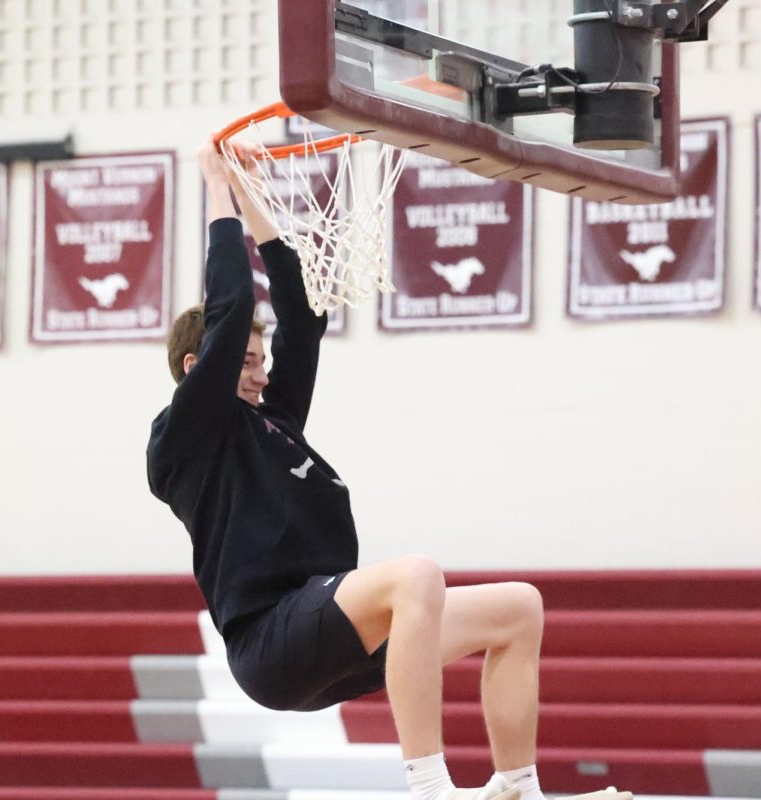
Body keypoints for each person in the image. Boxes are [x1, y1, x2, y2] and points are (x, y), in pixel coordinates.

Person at [147, 139, 626, 800]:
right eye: (244, 361)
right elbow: (229, 309)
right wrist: (214, 185)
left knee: (518, 609)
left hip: (334, 637)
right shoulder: (189, 433)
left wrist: (255, 196)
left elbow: (302, 317)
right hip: (271, 644)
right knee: (416, 576)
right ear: (196, 371)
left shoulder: (276, 422)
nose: (258, 371)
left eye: (259, 360)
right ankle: (428, 785)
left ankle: (520, 787)